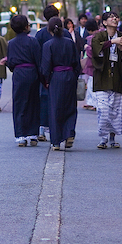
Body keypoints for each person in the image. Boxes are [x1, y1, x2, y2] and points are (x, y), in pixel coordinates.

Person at [91, 10, 122, 149]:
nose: (114, 19)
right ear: (104, 22)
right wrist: (112, 42)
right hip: (102, 78)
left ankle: (112, 138)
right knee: (103, 110)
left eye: (116, 17)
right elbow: (96, 50)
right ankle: (103, 137)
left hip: (116, 77)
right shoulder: (98, 36)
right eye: (111, 17)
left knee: (115, 110)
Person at [40, 17, 81, 151]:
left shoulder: (48, 45)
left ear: (49, 30)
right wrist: (74, 75)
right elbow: (76, 63)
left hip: (56, 77)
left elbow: (45, 67)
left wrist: (46, 80)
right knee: (70, 106)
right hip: (69, 75)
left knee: (55, 108)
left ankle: (56, 141)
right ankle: (69, 133)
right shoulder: (70, 43)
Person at [1, 14, 42, 147]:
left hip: (19, 74)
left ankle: (20, 135)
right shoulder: (33, 41)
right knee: (33, 103)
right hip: (32, 73)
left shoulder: (11, 43)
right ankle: (33, 133)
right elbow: (38, 60)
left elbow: (11, 62)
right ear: (26, 27)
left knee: (19, 104)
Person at [34, 5, 72, 141]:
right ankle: (62, 129)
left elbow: (37, 55)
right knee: (63, 101)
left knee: (44, 99)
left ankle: (42, 129)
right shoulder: (66, 34)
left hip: (46, 73)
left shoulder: (40, 34)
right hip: (64, 72)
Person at [80, 19, 99, 110]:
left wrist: (87, 47)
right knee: (91, 83)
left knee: (92, 84)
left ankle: (94, 103)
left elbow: (92, 52)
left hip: (93, 64)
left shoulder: (92, 38)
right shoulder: (100, 35)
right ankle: (91, 102)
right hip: (96, 64)